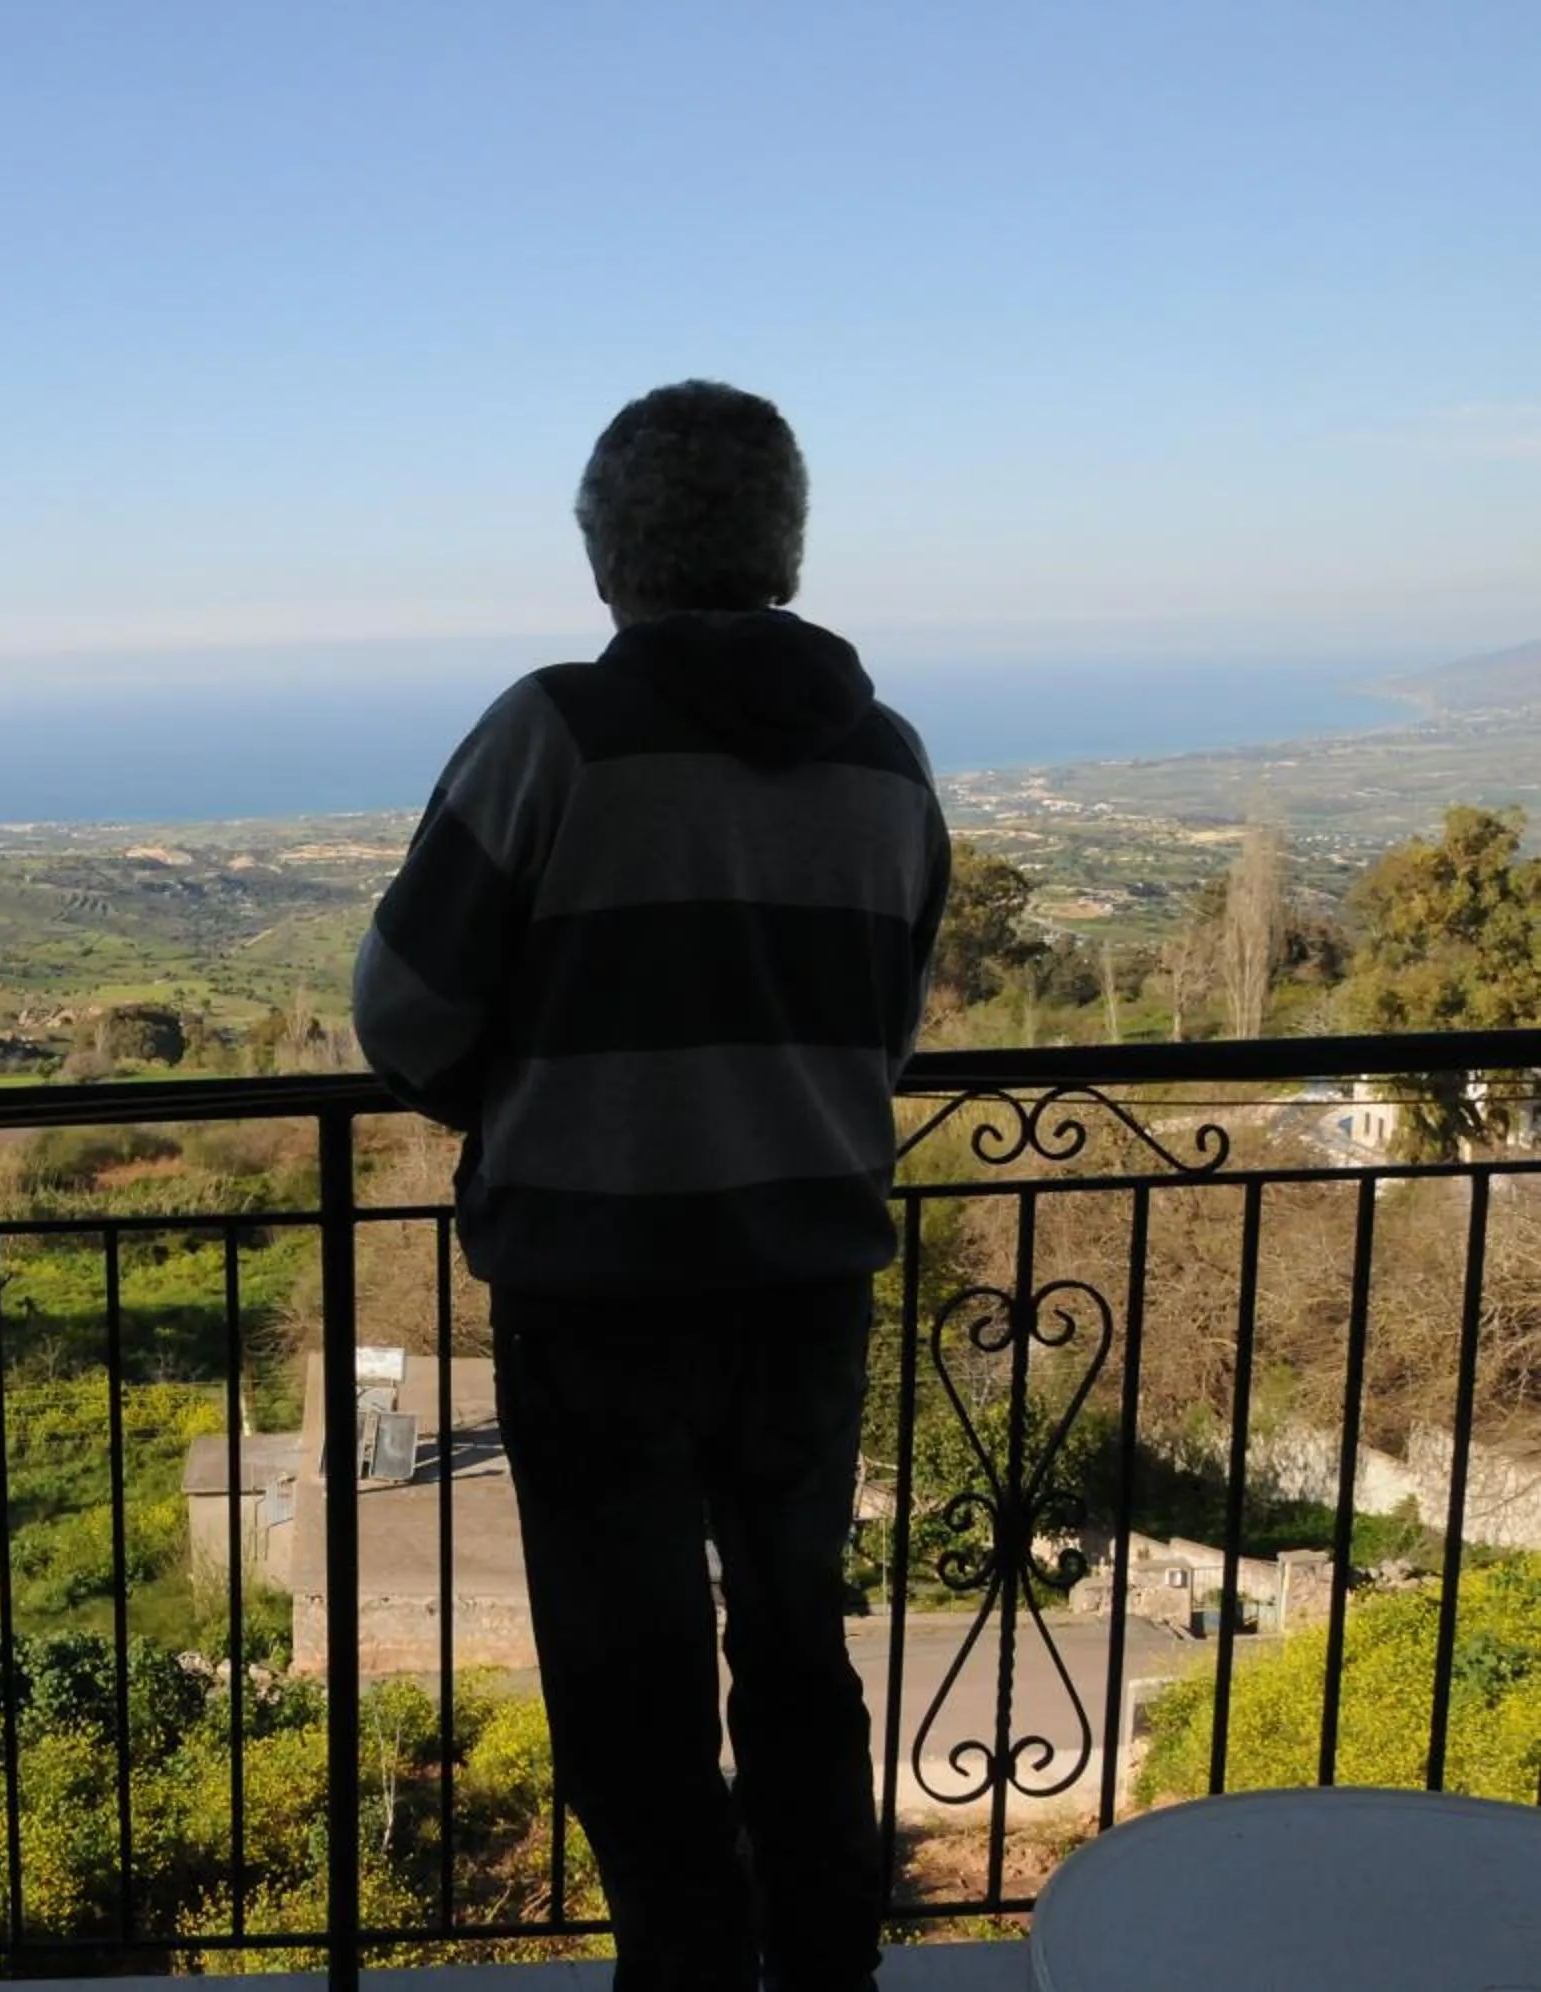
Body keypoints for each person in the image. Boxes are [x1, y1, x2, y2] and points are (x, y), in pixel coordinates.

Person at [353, 380, 949, 1992]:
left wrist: (525, 1085)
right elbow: (876, 1036)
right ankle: (827, 1972)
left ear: (611, 553)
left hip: (600, 1290)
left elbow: (404, 1015)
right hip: (808, 1280)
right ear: (787, 547)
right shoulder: (887, 763)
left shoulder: (558, 732)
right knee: (797, 1650)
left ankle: (684, 1978)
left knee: (630, 1683)